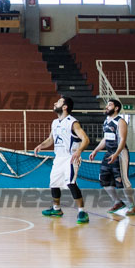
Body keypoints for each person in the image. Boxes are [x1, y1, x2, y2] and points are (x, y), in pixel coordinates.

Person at [33, 96, 90, 224]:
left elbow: (85, 139)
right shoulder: (54, 122)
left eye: (58, 102)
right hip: (58, 158)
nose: (55, 103)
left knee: (71, 183)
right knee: (54, 183)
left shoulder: (73, 122)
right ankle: (56, 209)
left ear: (65, 107)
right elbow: (51, 139)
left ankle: (82, 211)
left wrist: (79, 151)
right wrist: (41, 145)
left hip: (70, 157)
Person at [89, 98, 135, 215]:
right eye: (107, 105)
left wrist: (116, 154)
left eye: (109, 105)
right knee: (103, 179)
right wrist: (95, 150)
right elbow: (105, 139)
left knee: (123, 181)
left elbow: (122, 140)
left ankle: (132, 206)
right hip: (109, 153)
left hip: (120, 153)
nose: (106, 107)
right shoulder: (106, 121)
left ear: (116, 108)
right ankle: (117, 202)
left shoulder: (120, 122)